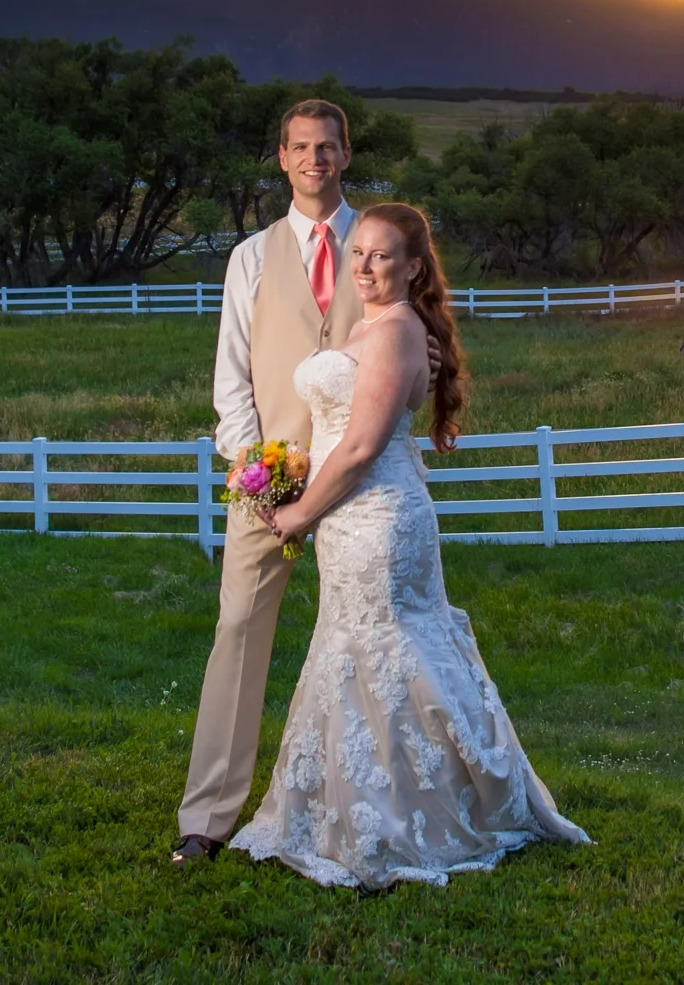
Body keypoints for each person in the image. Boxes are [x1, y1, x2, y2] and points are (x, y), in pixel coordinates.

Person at [226, 202, 590, 889]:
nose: (364, 265)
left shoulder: (395, 330)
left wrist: (300, 511)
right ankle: (360, 803)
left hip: (378, 516)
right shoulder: (379, 325)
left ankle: (413, 813)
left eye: (382, 255)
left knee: (384, 649)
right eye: (357, 252)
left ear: (414, 266)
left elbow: (362, 446)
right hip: (351, 513)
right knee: (365, 649)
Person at [173, 98, 372, 865]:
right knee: (237, 630)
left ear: (346, 156)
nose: (315, 159)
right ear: (282, 159)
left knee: (361, 636)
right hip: (273, 474)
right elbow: (231, 380)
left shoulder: (376, 243)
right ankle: (208, 815)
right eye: (300, 148)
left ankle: (359, 810)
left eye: (328, 147)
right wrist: (259, 471)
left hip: (359, 474)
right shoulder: (251, 257)